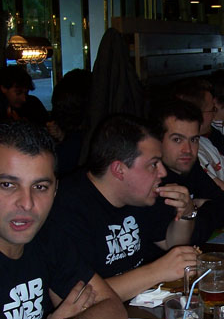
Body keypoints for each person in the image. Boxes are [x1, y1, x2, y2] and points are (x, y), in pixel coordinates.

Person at [0, 121, 127, 319]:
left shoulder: (46, 238)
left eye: (40, 187)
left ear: (55, 190)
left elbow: (114, 313)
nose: (27, 203)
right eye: (8, 185)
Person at [50, 114, 198, 301]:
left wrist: (187, 213)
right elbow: (79, 298)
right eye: (153, 164)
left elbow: (172, 244)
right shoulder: (66, 209)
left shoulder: (138, 194)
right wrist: (156, 271)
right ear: (119, 170)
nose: (163, 172)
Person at [151, 98, 224, 245]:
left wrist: (194, 210)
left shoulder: (190, 166)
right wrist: (201, 208)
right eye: (177, 140)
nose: (188, 150)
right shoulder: (152, 180)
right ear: (158, 141)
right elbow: (182, 241)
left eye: (194, 140)